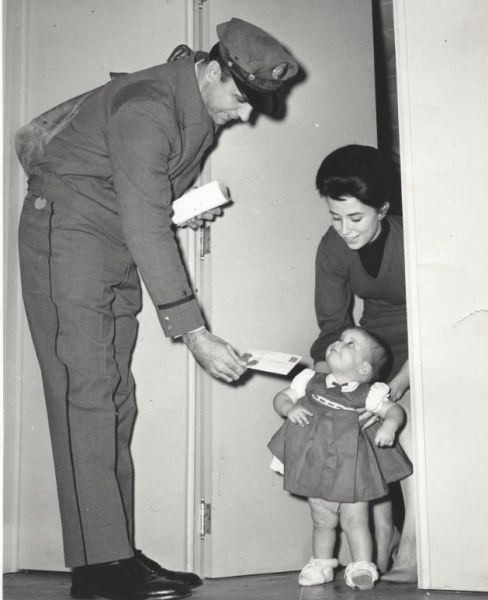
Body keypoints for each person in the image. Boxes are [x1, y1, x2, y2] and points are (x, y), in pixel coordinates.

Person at [17, 17, 299, 600]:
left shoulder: (195, 104)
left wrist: (186, 204)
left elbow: (140, 194)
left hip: (107, 242)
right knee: (86, 395)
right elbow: (144, 220)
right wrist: (196, 334)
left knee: (114, 398)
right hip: (67, 237)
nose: (246, 115)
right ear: (213, 71)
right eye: (242, 99)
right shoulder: (148, 107)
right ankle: (98, 568)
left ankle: (111, 550)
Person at [310, 144, 416, 582]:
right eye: (335, 218)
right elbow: (333, 328)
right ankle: (383, 537)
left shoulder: (412, 236)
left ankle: (413, 550)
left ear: (383, 209)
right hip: (376, 349)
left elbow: (441, 316)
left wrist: (400, 383)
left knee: (412, 434)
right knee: (360, 432)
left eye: (355, 218)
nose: (344, 230)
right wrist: (325, 386)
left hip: (426, 341)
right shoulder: (333, 248)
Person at [268, 327, 412, 590]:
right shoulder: (309, 381)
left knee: (355, 520)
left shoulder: (369, 393)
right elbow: (282, 397)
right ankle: (321, 564)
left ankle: (362, 566)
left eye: (350, 344)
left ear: (364, 369)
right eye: (340, 339)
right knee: (321, 518)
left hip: (351, 468)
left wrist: (389, 428)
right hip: (316, 462)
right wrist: (289, 408)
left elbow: (394, 411)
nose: (339, 343)